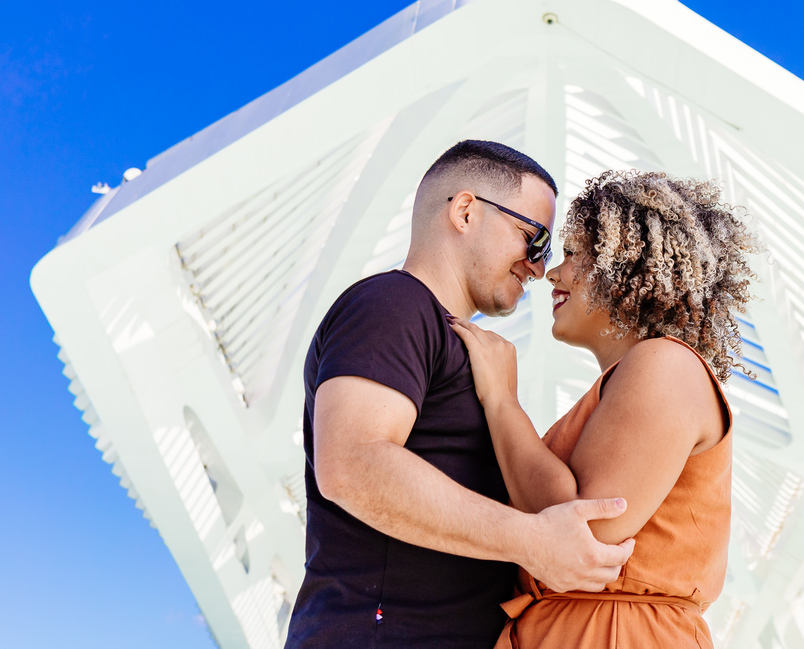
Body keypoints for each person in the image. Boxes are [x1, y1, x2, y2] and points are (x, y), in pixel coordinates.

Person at [285, 141, 635, 649]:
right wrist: (531, 541)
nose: (539, 267)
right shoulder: (392, 304)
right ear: (466, 211)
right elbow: (352, 464)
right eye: (533, 239)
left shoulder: (459, 345)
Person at [449, 169, 759, 648]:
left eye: (573, 254)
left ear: (626, 261)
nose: (552, 273)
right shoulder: (633, 381)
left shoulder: (667, 365)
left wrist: (501, 401)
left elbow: (585, 528)